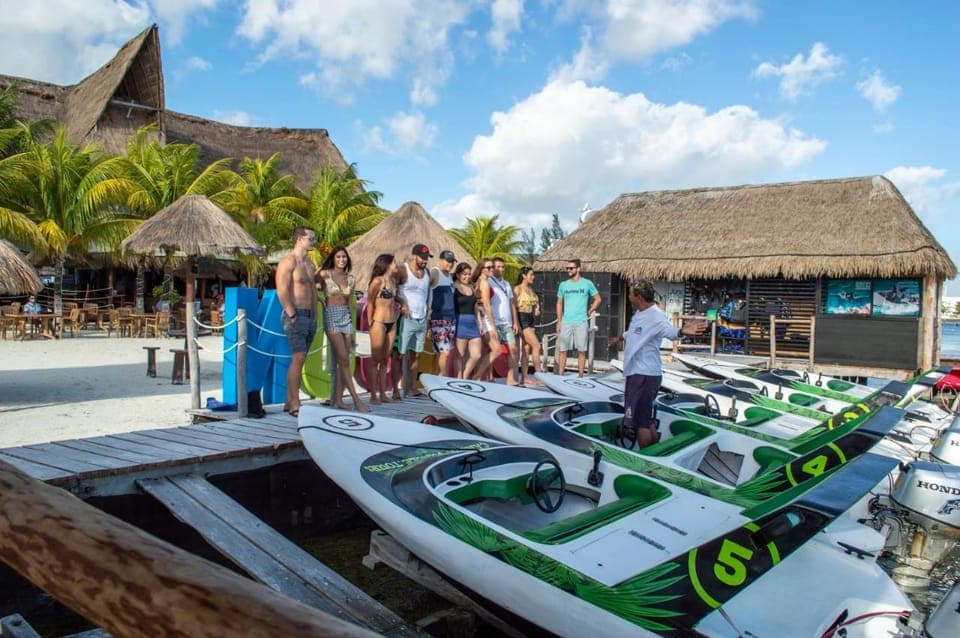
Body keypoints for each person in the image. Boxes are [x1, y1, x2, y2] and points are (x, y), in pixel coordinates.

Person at [614, 281, 706, 448]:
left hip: (644, 375)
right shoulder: (640, 313)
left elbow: (669, 332)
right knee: (646, 419)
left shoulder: (656, 315)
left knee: (639, 423)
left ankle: (647, 461)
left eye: (630, 294)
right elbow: (635, 332)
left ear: (639, 297)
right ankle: (656, 453)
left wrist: (682, 331)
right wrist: (620, 337)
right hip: (639, 373)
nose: (628, 297)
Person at [318, 246, 369, 412]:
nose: (341, 260)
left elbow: (349, 303)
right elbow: (309, 285)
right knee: (344, 360)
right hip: (331, 315)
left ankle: (339, 399)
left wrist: (352, 329)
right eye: (338, 257)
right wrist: (320, 300)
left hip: (345, 317)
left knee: (344, 361)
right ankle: (356, 400)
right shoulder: (325, 274)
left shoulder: (351, 278)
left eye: (344, 257)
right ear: (333, 258)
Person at [275, 226, 319, 417]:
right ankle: (295, 402)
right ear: (300, 239)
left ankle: (288, 400)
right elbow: (282, 289)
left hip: (309, 316)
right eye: (311, 238)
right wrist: (291, 313)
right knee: (298, 357)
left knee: (302, 359)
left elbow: (314, 292)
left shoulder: (309, 264)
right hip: (295, 314)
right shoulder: (288, 261)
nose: (314, 242)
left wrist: (315, 315)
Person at [394, 243, 432, 396]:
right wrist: (402, 303)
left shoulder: (427, 272)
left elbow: (427, 293)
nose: (424, 261)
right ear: (414, 256)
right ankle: (396, 389)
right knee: (400, 354)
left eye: (427, 258)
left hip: (421, 318)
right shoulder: (403, 270)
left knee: (416, 354)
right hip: (406, 318)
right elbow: (391, 291)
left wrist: (428, 310)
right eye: (422, 258)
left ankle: (411, 388)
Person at [555, 258, 601, 377]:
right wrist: (559, 321)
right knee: (563, 350)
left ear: (578, 268)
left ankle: (580, 376)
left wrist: (590, 310)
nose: (569, 270)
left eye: (571, 268)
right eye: (567, 268)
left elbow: (598, 299)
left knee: (581, 350)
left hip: (581, 321)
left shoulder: (587, 283)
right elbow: (559, 303)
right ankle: (560, 375)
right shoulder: (563, 285)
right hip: (566, 321)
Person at [366, 254, 399, 404]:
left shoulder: (392, 281)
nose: (396, 265)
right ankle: (373, 394)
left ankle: (383, 393)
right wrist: (370, 323)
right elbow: (370, 303)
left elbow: (395, 299)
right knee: (375, 360)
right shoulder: (377, 282)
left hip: (392, 322)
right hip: (379, 322)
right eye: (394, 262)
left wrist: (403, 303)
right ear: (387, 264)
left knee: (386, 359)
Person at [488, 257, 520, 385]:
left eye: (502, 267)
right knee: (492, 350)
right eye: (498, 267)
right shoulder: (488, 282)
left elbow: (512, 303)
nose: (501, 269)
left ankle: (510, 378)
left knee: (513, 349)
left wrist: (515, 321)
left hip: (506, 323)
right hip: (494, 322)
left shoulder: (506, 284)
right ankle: (489, 376)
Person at [428, 250, 458, 377]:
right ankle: (443, 379)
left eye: (452, 262)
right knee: (444, 352)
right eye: (447, 261)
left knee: (445, 353)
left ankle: (440, 378)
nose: (450, 264)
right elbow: (424, 290)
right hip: (438, 318)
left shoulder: (450, 277)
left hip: (451, 319)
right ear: (440, 260)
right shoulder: (435, 273)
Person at [471, 257, 501, 380]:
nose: (491, 269)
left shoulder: (477, 281)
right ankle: (477, 377)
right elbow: (487, 305)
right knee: (496, 350)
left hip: (479, 315)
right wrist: (493, 326)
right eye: (488, 267)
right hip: (484, 316)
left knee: (485, 350)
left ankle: (480, 377)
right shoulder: (484, 283)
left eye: (492, 267)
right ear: (481, 269)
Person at [452, 263, 482, 379]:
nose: (467, 277)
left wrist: (479, 322)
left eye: (469, 274)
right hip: (460, 321)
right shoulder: (453, 287)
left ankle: (464, 376)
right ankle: (459, 379)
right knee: (460, 355)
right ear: (458, 275)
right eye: (464, 274)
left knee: (476, 355)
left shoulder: (471, 287)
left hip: (472, 323)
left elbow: (475, 306)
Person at [514, 267, 543, 385]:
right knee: (536, 346)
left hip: (530, 318)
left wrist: (537, 308)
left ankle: (524, 377)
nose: (533, 277)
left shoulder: (531, 290)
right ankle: (540, 376)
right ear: (524, 276)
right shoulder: (518, 289)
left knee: (526, 349)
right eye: (531, 275)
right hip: (522, 318)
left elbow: (536, 301)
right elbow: (513, 307)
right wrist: (515, 323)